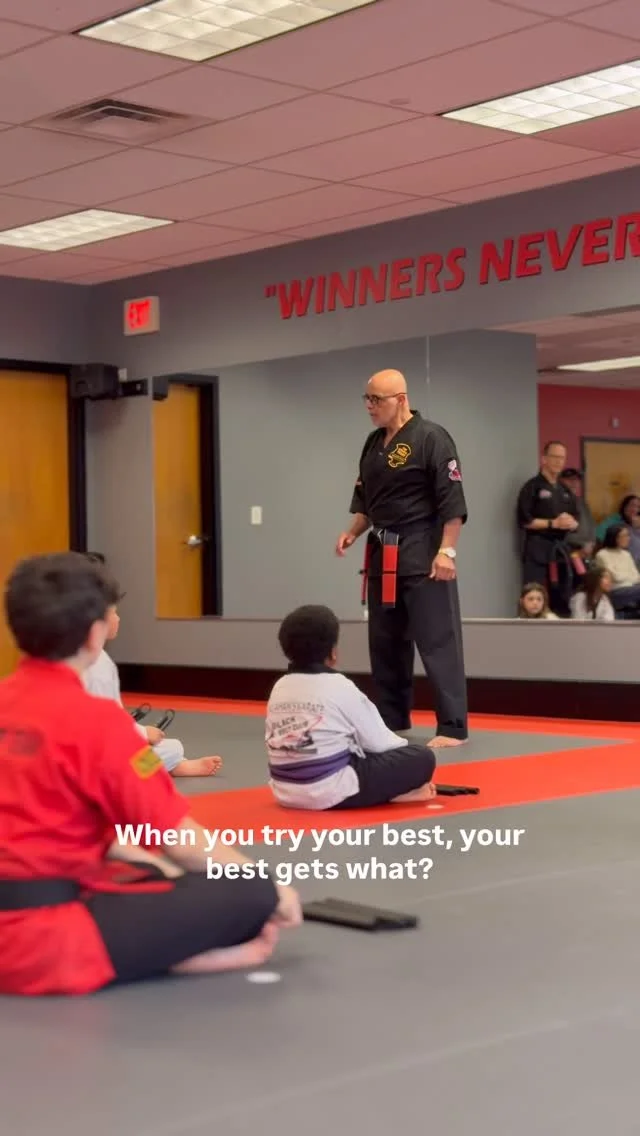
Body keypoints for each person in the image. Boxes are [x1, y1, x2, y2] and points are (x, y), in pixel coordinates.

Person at [0, 552, 301, 997]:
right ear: (95, 632)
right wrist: (271, 888)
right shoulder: (101, 724)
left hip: (32, 901)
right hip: (45, 943)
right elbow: (181, 842)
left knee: (148, 870)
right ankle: (176, 956)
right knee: (250, 892)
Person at [335, 370, 468, 749]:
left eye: (376, 400)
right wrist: (352, 531)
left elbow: (452, 501)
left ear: (401, 399)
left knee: (437, 639)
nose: (369, 407)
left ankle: (453, 727)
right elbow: (367, 500)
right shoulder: (373, 442)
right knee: (386, 640)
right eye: (367, 399)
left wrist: (447, 550)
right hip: (383, 552)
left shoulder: (431, 438)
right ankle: (392, 720)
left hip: (423, 550)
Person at [265, 604, 436, 810]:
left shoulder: (280, 686)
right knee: (422, 757)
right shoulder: (339, 685)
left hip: (285, 791)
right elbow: (381, 743)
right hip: (329, 791)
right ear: (333, 652)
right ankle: (396, 794)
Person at [83, 556, 222, 779]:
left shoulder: (67, 655)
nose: (118, 619)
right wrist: (143, 732)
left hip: (71, 754)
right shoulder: (97, 663)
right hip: (93, 762)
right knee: (167, 749)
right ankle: (169, 766)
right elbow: (109, 724)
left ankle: (172, 764)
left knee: (164, 747)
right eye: (114, 613)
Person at [516, 441, 580, 617]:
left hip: (560, 550)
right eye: (555, 457)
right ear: (544, 459)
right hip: (537, 547)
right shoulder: (532, 487)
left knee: (562, 595)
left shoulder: (565, 490)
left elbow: (576, 518)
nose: (559, 461)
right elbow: (525, 521)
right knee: (534, 593)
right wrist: (553, 523)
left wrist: (571, 523)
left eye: (562, 458)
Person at [594, 523, 640, 614]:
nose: (628, 538)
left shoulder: (626, 554)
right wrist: (630, 578)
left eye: (628, 535)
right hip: (615, 591)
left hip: (633, 588)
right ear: (614, 538)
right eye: (624, 536)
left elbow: (637, 577)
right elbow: (616, 577)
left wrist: (628, 578)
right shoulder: (602, 554)